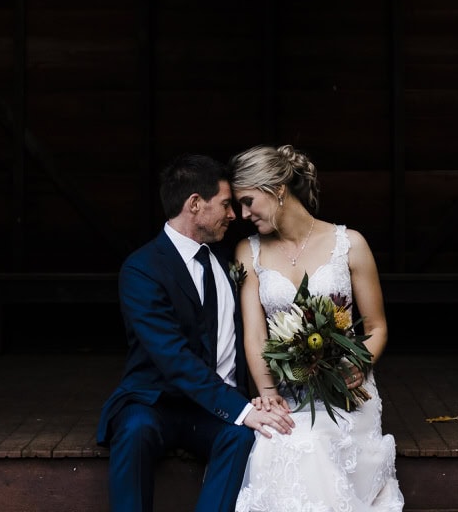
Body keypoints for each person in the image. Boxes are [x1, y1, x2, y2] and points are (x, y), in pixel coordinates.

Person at [98, 153, 296, 512]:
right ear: (194, 204)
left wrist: (259, 398)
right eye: (225, 204)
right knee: (134, 430)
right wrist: (240, 408)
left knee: (242, 436)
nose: (234, 215)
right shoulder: (142, 269)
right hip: (156, 403)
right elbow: (172, 357)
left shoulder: (230, 258)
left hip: (214, 411)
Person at [230, 144, 405, 512]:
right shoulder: (248, 251)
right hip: (288, 393)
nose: (243, 214)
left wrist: (358, 364)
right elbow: (255, 336)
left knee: (313, 445)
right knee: (276, 445)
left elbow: (377, 326)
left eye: (248, 201)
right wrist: (268, 395)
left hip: (347, 396)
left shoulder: (350, 244)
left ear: (277, 189)